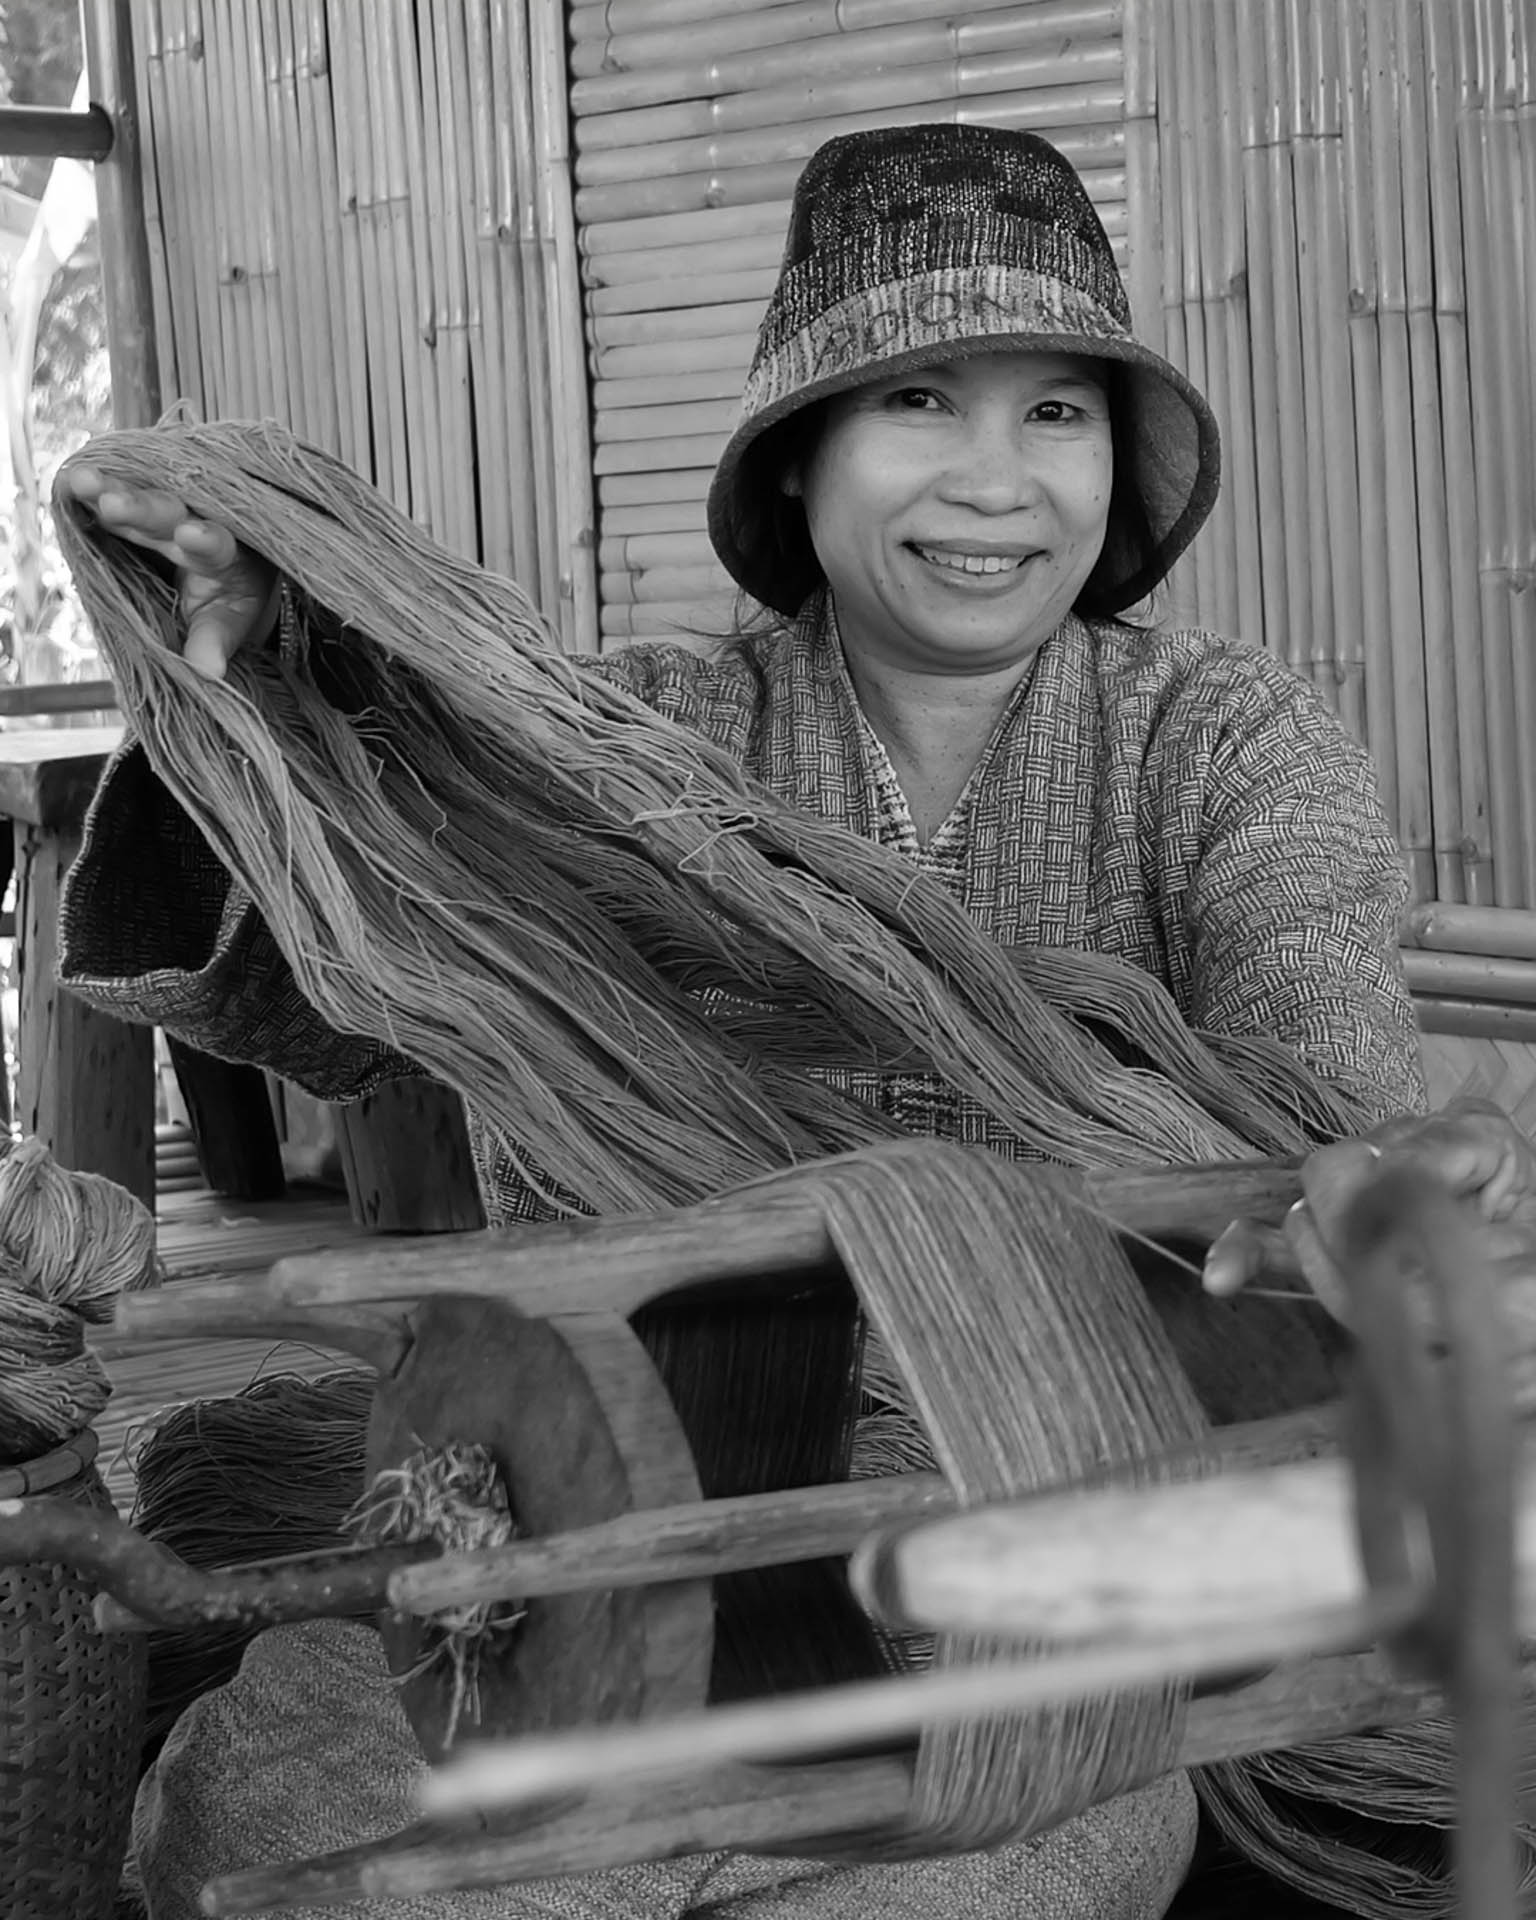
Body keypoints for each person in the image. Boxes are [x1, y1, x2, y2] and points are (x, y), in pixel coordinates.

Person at [58, 123, 1533, 1919]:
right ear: (804, 453)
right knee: (290, 1831)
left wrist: (1374, 1187)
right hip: (599, 1487)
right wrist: (259, 714)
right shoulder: (630, 737)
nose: (1000, 480)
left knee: (1014, 1856)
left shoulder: (1216, 737)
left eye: (1060, 412)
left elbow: (1312, 1075)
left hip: (1052, 1514)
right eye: (921, 397)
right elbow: (348, 1007)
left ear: (1118, 472)